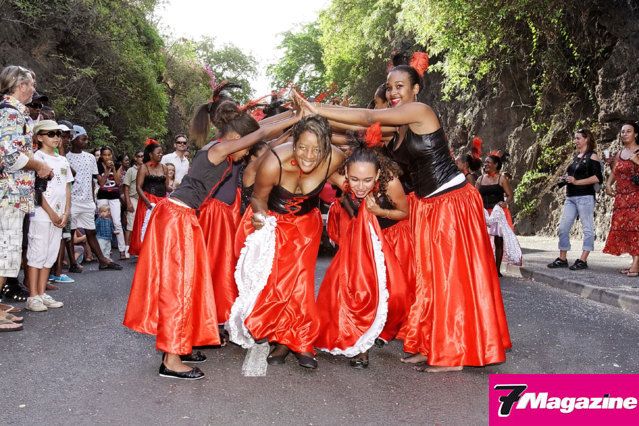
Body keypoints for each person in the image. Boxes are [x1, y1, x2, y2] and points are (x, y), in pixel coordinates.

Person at [296, 53, 511, 372]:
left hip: (451, 202)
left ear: (415, 89)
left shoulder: (420, 112)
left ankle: (452, 354)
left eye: (400, 86)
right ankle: (432, 344)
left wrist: (317, 108)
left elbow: (367, 116)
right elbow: (357, 130)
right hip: (426, 206)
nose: (394, 92)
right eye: (390, 87)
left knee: (448, 277)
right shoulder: (396, 127)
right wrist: (314, 125)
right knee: (429, 280)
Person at [123, 100, 301, 380]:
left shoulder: (219, 145)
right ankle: (171, 360)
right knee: (178, 287)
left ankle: (179, 346)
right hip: (176, 218)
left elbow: (260, 129)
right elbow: (260, 134)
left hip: (181, 216)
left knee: (189, 285)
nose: (246, 153)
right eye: (245, 147)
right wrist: (296, 118)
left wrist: (293, 116)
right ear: (236, 137)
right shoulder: (219, 149)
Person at [230, 115, 344, 370]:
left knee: (301, 283)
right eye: (303, 147)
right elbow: (258, 198)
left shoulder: (335, 159)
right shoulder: (274, 162)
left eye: (317, 149)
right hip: (275, 223)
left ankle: (301, 341)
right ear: (294, 143)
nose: (309, 156)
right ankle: (281, 340)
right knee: (276, 285)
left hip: (307, 225)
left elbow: (351, 178)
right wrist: (260, 216)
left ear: (326, 147)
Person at [315, 131, 410, 369]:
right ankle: (361, 347)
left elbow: (404, 212)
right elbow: (323, 160)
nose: (360, 186)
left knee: (396, 296)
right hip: (358, 241)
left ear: (377, 174)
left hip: (389, 239)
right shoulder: (344, 181)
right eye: (354, 179)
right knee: (357, 292)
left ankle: (381, 330)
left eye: (367, 180)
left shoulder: (390, 182)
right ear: (346, 173)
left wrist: (379, 211)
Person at [1, 65, 53, 312]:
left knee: (8, 253)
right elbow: (10, 156)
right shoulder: (10, 114)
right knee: (5, 253)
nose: (34, 89)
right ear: (20, 85)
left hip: (14, 195)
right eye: (31, 84)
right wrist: (38, 165)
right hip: (8, 196)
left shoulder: (15, 113)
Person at [25, 120, 73, 312]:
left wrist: (66, 212)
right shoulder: (37, 158)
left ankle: (42, 292)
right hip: (42, 214)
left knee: (50, 254)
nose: (56, 138)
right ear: (39, 137)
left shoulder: (62, 160)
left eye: (58, 134)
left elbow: (67, 187)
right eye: (51, 134)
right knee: (37, 252)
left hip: (60, 214)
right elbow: (36, 191)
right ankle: (33, 295)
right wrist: (51, 213)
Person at [66, 125, 122, 271]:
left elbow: (95, 181)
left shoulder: (90, 158)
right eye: (83, 139)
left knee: (91, 231)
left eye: (86, 139)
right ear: (73, 139)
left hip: (87, 201)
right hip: (72, 200)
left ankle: (102, 261)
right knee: (70, 232)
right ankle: (73, 263)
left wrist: (92, 199)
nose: (86, 142)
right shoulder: (66, 157)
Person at [548, 129, 603, 271]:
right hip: (570, 196)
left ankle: (583, 259)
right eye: (575, 138)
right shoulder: (576, 157)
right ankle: (562, 258)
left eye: (578, 138)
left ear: (586, 139)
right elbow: (574, 175)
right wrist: (566, 179)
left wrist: (577, 182)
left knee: (587, 228)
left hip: (585, 196)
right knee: (563, 228)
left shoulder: (592, 156)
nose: (575, 141)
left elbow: (598, 177)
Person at [603, 121, 639, 276]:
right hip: (622, 198)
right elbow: (615, 172)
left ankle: (636, 265)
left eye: (628, 131)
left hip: (636, 196)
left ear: (636, 134)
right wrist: (608, 184)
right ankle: (635, 262)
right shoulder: (619, 153)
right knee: (626, 230)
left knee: (635, 229)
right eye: (623, 131)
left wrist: (637, 161)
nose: (624, 134)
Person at [476, 152, 514, 277]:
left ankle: (497, 270)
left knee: (498, 241)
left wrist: (505, 202)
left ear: (496, 164)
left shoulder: (501, 179)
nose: (486, 164)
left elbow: (510, 195)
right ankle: (485, 267)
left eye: (488, 162)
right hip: (484, 213)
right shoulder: (480, 179)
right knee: (482, 241)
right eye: (485, 162)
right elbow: (475, 196)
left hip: (497, 213)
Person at [128, 140, 168, 256]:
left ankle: (159, 251)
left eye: (161, 153)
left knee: (161, 227)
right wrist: (147, 202)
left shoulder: (164, 168)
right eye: (158, 153)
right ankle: (146, 252)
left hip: (162, 200)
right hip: (148, 200)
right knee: (146, 226)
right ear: (150, 154)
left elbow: (166, 187)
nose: (160, 155)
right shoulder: (144, 168)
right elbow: (138, 187)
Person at [96, 146, 126, 260]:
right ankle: (103, 250)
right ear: (101, 156)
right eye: (104, 155)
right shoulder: (97, 166)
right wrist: (107, 171)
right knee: (103, 220)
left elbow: (118, 183)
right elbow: (101, 183)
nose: (107, 157)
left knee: (117, 222)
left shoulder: (117, 165)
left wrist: (113, 169)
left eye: (109, 155)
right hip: (102, 196)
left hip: (114, 196)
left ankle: (122, 250)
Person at [123, 149, 143, 256]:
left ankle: (138, 247)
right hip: (133, 198)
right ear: (135, 158)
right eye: (139, 156)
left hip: (143, 199)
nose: (141, 158)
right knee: (131, 225)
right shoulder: (131, 170)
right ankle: (127, 248)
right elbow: (126, 187)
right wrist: (128, 203)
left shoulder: (146, 168)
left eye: (143, 156)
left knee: (142, 224)